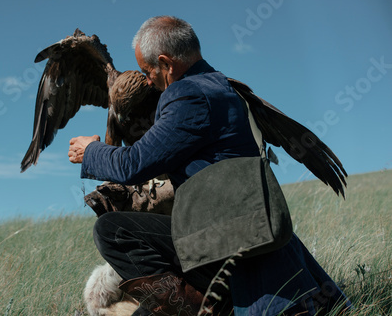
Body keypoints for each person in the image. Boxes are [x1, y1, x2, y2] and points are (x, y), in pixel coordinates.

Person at [68, 16, 349, 316]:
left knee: (113, 230)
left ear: (167, 63)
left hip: (225, 233)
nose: (147, 81)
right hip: (247, 225)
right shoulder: (223, 86)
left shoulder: (186, 95)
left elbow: (134, 164)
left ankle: (202, 306)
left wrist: (91, 151)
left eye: (148, 71)